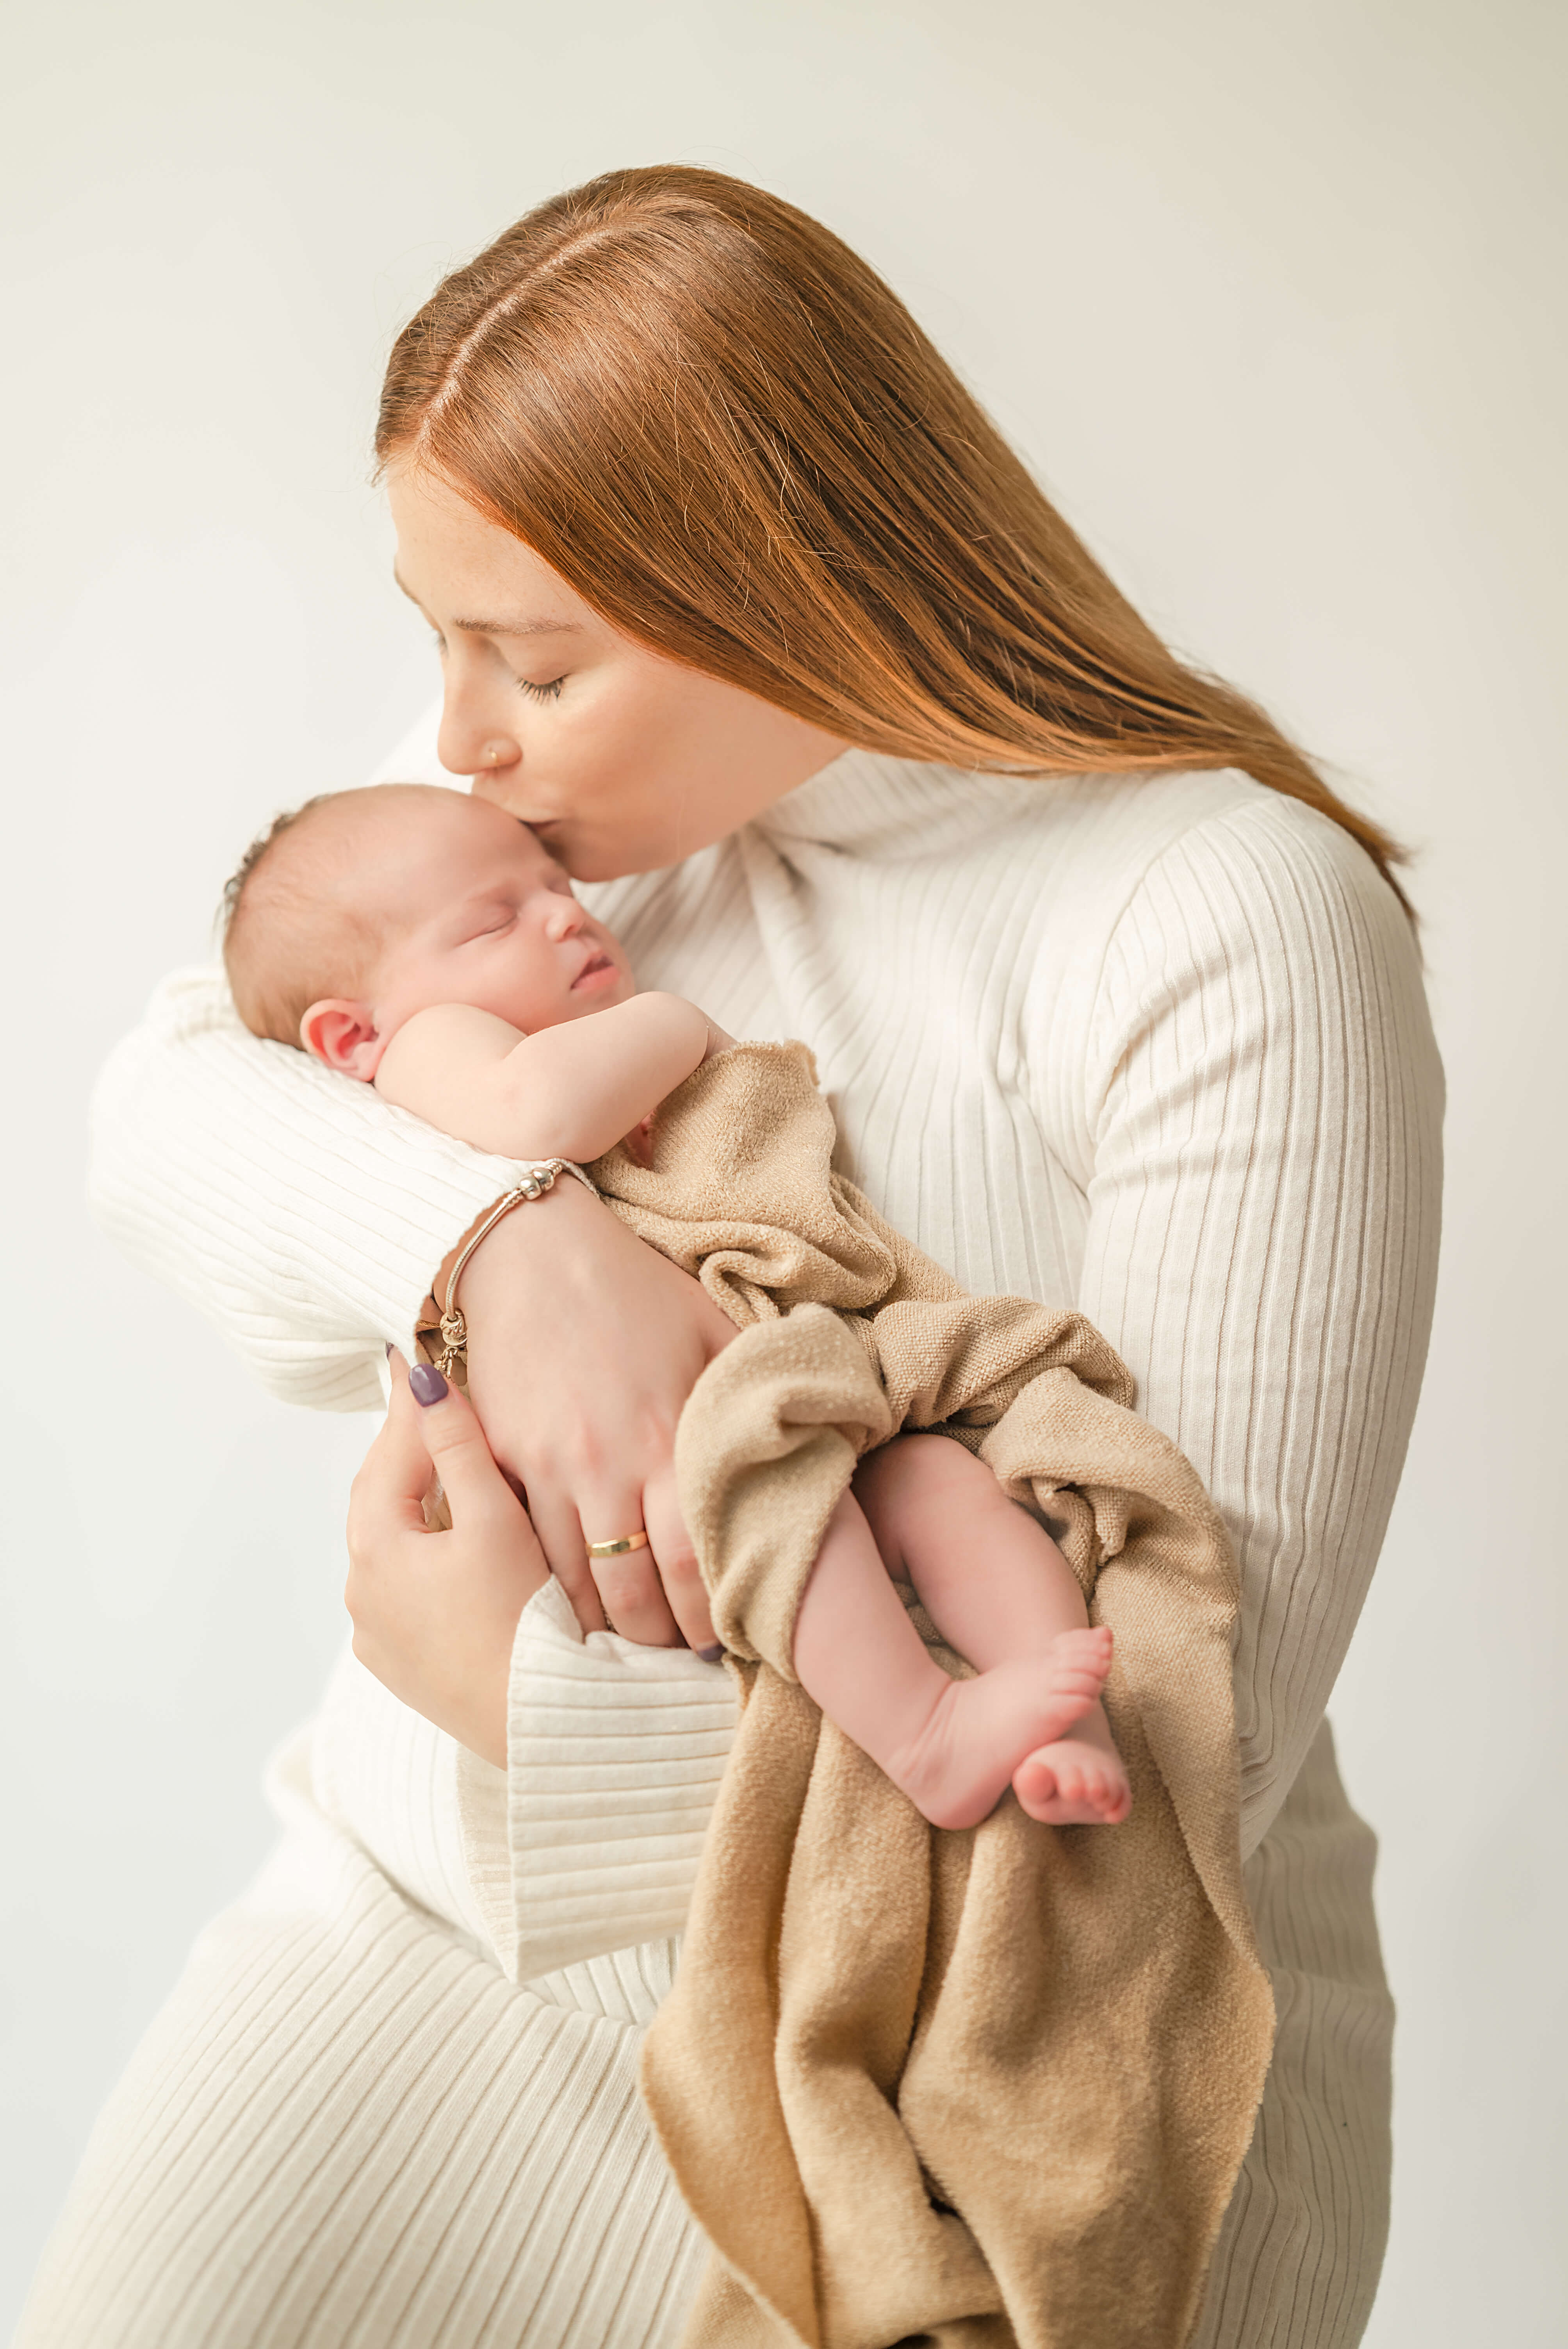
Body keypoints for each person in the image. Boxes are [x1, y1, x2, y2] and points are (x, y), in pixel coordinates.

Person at [20, 164, 1441, 2349]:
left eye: (534, 659)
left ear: (782, 579)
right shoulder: (549, 838)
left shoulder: (1221, 923)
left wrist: (537, 1710)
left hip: (956, 2033)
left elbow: (1171, 1763)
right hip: (421, 1932)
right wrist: (496, 1243)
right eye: (435, 636)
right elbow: (162, 1096)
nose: (460, 729)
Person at [221, 779, 1133, 1832]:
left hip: (769, 1396)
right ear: (349, 1040)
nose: (567, 912)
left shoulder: (495, 1003)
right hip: (693, 1453)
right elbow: (538, 1112)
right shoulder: (427, 1044)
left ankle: (1064, 1719)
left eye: (556, 885)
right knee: (784, 1496)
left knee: (939, 1484)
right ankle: (927, 1736)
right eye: (494, 918)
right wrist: (674, 1023)